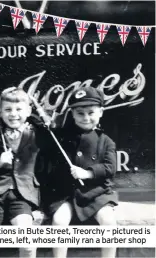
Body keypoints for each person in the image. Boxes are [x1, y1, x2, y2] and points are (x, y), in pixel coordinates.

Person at [43, 87, 118, 258]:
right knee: (59, 221)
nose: (85, 118)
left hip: (96, 194)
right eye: (80, 113)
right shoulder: (61, 138)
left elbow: (110, 168)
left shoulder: (106, 141)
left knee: (109, 222)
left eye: (91, 112)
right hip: (67, 194)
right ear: (72, 114)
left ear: (101, 112)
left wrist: (88, 173)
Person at [0, 87, 46, 258]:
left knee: (28, 244)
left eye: (19, 109)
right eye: (7, 110)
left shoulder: (38, 133)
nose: (13, 114)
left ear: (29, 110)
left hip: (22, 197)